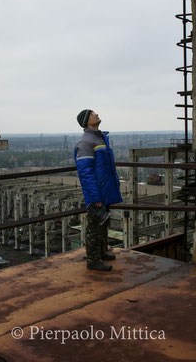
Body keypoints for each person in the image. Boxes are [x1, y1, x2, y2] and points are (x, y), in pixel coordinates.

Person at [74, 109, 123, 271]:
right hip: (96, 193)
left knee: (102, 223)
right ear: (87, 121)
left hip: (104, 189)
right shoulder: (86, 142)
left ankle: (101, 251)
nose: (97, 115)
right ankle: (93, 260)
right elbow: (85, 172)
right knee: (94, 227)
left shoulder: (98, 138)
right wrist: (95, 197)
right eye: (93, 114)